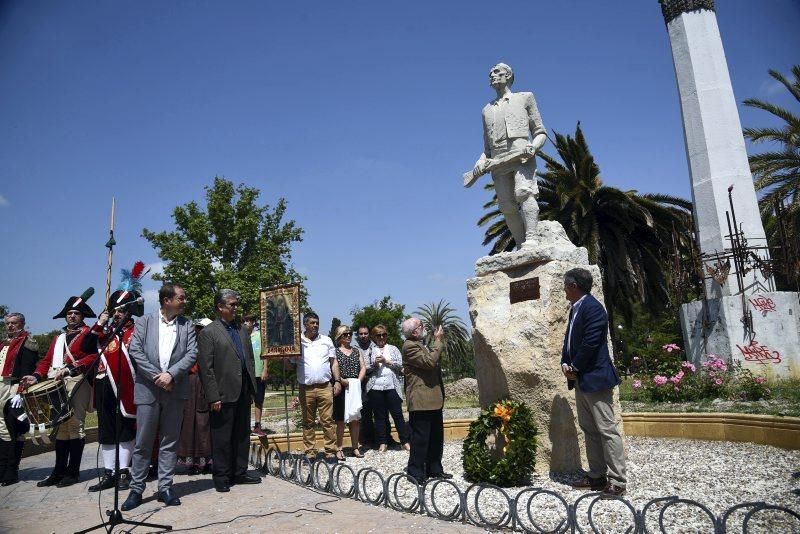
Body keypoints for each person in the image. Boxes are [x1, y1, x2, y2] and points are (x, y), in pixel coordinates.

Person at [121, 283, 197, 511]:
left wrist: (171, 374)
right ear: (167, 300)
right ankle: (136, 489)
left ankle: (165, 487)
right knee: (143, 441)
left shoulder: (187, 325)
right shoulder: (144, 322)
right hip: (148, 389)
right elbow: (135, 350)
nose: (185, 301)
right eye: (181, 298)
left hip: (175, 389)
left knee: (169, 441)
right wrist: (157, 376)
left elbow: (192, 352)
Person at [561, 267, 627, 497]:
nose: (563, 290)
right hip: (580, 379)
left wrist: (575, 366)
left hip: (595, 378)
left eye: (565, 286)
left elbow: (590, 343)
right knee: (589, 429)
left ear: (573, 286)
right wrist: (565, 364)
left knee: (607, 429)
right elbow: (570, 341)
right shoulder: (575, 309)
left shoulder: (593, 309)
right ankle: (597, 476)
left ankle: (617, 481)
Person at [23, 291, 97, 488]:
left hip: (77, 380)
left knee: (75, 425)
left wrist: (71, 368)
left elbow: (93, 357)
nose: (72, 316)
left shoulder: (89, 334)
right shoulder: (58, 338)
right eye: (69, 313)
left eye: (76, 313)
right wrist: (36, 375)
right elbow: (46, 361)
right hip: (55, 381)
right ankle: (58, 471)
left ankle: (72, 473)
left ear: (82, 316)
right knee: (61, 427)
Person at [469, 62, 547, 249]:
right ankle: (521, 246)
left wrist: (533, 147)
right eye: (490, 73)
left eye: (496, 72)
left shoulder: (525, 98)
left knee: (524, 192)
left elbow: (540, 132)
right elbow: (487, 148)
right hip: (497, 160)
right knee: (506, 206)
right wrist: (480, 162)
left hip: (521, 155)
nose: (492, 75)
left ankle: (532, 239)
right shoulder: (486, 110)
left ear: (509, 75)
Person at [197, 289, 261, 493]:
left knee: (242, 435)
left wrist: (252, 387)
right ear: (220, 307)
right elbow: (205, 368)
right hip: (223, 394)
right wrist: (213, 396)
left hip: (242, 391)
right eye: (232, 304)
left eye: (236, 304)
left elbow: (249, 360)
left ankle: (239, 472)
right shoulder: (209, 332)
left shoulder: (242, 330)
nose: (236, 307)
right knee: (222, 437)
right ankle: (222, 476)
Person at [83, 286, 143, 493]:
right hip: (103, 384)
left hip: (126, 385)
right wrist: (100, 322)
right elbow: (86, 346)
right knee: (106, 430)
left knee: (125, 428)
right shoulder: (105, 333)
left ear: (129, 312)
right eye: (114, 310)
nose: (117, 314)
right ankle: (109, 472)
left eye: (121, 310)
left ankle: (124, 471)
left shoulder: (137, 331)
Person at [401, 318, 449, 484]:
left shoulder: (420, 343)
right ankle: (415, 472)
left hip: (433, 398)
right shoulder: (409, 346)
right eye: (421, 325)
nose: (424, 327)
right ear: (414, 332)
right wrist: (438, 340)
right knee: (420, 439)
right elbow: (429, 362)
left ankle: (434, 469)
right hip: (421, 400)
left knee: (436, 437)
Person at [289, 312, 341, 463]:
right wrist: (284, 357)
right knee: (308, 422)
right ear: (305, 324)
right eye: (312, 323)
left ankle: (330, 452)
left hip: (325, 386)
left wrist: (337, 381)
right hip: (306, 388)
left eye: (317, 323)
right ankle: (310, 452)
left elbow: (334, 363)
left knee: (327, 421)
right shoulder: (297, 342)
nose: (316, 325)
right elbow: (290, 365)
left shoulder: (326, 340)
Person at [0, 312, 38, 486]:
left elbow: (27, 370)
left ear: (21, 324)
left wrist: (21, 392)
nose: (10, 326)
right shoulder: (2, 342)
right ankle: (2, 469)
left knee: (14, 429)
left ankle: (11, 471)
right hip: (0, 385)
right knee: (1, 428)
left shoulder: (28, 342)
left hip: (14, 386)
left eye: (13, 323)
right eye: (7, 323)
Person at [365, 324, 410, 453]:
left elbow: (401, 367)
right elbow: (365, 369)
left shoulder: (393, 349)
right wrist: (374, 365)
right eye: (378, 335)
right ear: (374, 337)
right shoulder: (370, 350)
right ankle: (382, 442)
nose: (381, 337)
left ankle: (404, 441)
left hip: (392, 386)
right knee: (379, 417)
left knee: (398, 415)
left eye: (384, 334)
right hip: (376, 387)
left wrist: (387, 361)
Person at [177, 318, 213, 475]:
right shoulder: (188, 345)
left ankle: (206, 461)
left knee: (204, 423)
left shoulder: (210, 345)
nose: (199, 331)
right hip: (190, 384)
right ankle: (192, 461)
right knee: (189, 423)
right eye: (197, 329)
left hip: (204, 384)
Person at [331, 326, 365, 459]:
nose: (348, 336)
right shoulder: (335, 352)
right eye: (345, 334)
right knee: (340, 420)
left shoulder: (357, 351)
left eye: (350, 334)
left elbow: (363, 367)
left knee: (355, 419)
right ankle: (339, 448)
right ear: (339, 336)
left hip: (355, 387)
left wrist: (357, 382)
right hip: (342, 387)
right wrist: (341, 381)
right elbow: (334, 368)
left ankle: (355, 447)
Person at [243, 313, 268, 437]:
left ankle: (257, 425)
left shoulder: (260, 336)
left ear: (253, 322)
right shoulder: (241, 336)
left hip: (258, 373)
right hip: (246, 373)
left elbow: (265, 354)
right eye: (245, 320)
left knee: (259, 399)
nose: (246, 323)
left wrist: (265, 369)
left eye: (249, 320)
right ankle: (244, 426)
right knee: (246, 400)